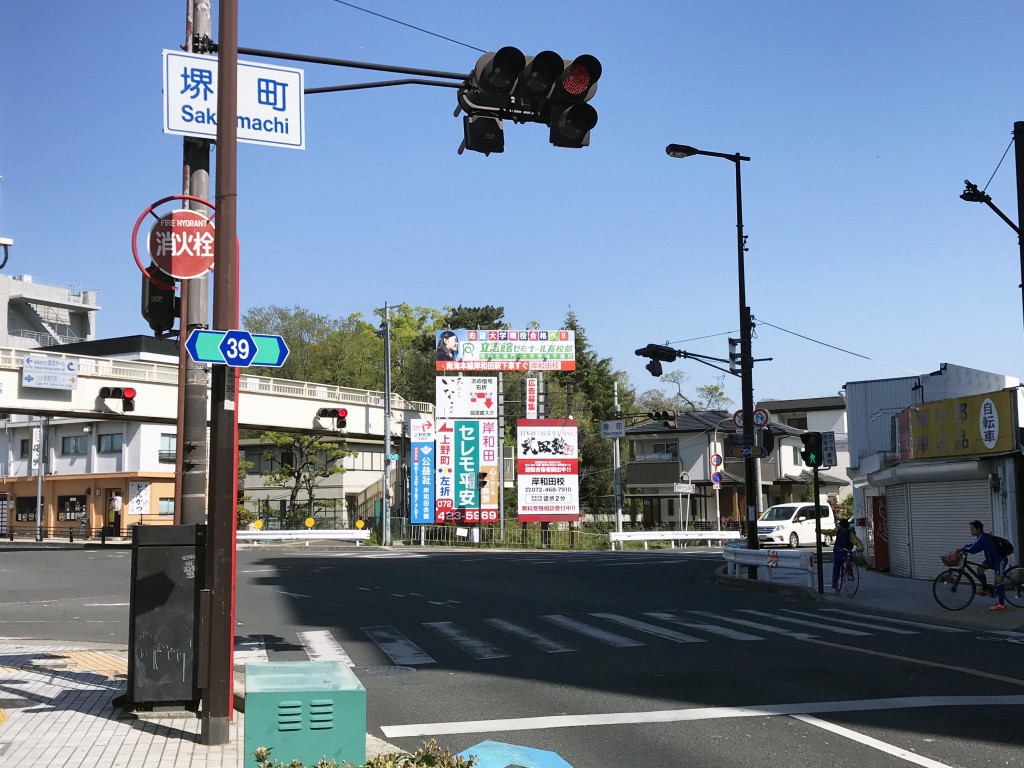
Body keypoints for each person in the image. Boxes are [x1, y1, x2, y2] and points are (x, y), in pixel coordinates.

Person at [961, 519, 1007, 611]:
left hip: (999, 560)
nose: (971, 530)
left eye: (972, 528)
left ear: (978, 529)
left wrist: (962, 549)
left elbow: (974, 549)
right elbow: (973, 545)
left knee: (998, 581)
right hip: (990, 560)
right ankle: (985, 589)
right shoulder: (980, 537)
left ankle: (1001, 604)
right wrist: (963, 547)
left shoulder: (983, 538)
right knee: (979, 569)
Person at [822, 518, 864, 591]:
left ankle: (846, 573)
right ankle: (836, 582)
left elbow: (830, 532)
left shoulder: (847, 533)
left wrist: (860, 547)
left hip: (841, 550)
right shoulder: (842, 531)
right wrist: (860, 548)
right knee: (838, 566)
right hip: (840, 550)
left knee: (838, 565)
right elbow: (857, 542)